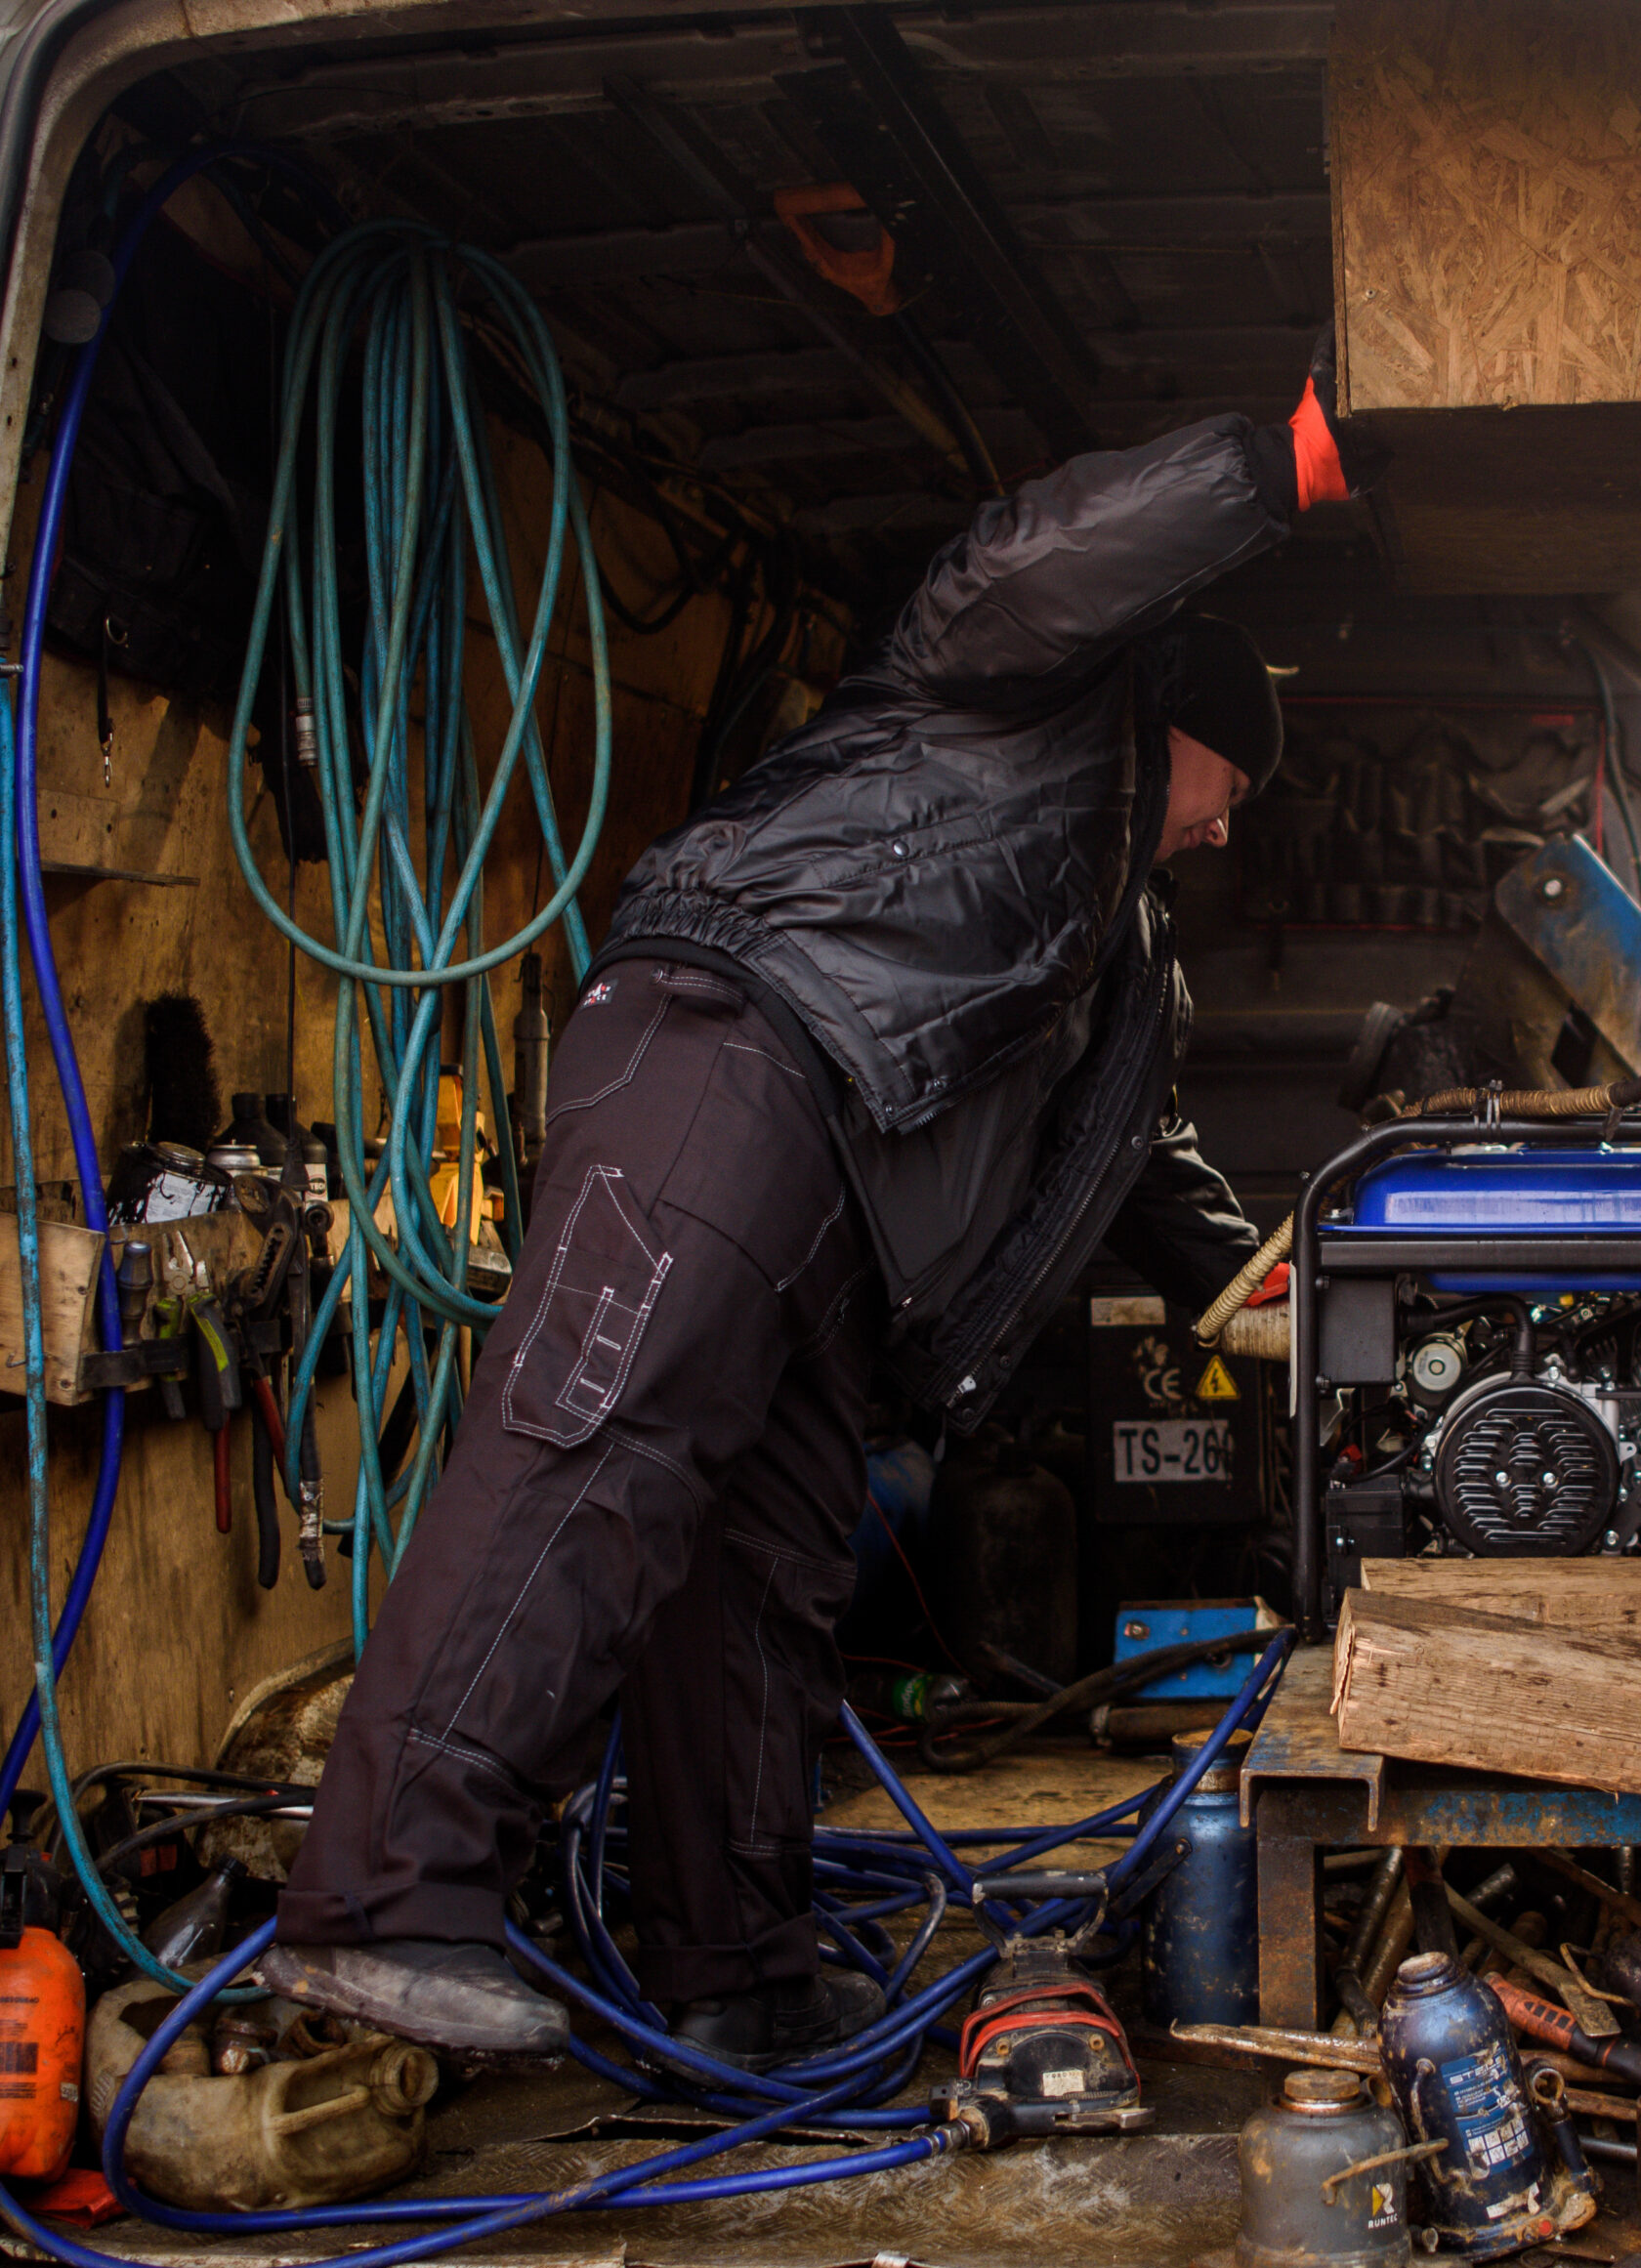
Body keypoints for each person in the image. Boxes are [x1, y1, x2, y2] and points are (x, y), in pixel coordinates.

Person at [261, 365, 1367, 2068]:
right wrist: (1278, 462)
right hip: (736, 1046)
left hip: (842, 1220)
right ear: (1178, 720)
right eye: (1236, 782)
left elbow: (1140, 1169)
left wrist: (1298, 1309)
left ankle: (738, 1963)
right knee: (595, 1440)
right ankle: (382, 1894)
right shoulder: (1009, 686)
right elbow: (1043, 553)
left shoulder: (1125, 958)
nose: (1232, 827)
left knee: (756, 1578)